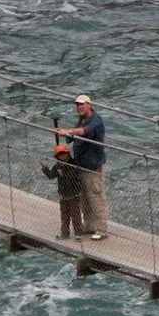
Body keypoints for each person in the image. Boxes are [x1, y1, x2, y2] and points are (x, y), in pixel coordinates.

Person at [59, 94, 107, 240]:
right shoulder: (82, 119)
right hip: (81, 165)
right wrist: (67, 133)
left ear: (89, 105)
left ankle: (101, 229)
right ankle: (89, 225)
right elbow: (75, 134)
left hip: (91, 167)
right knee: (85, 197)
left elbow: (84, 131)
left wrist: (70, 131)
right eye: (77, 105)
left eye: (81, 104)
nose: (79, 107)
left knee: (95, 197)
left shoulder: (96, 121)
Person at [40, 139, 85, 238]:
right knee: (64, 216)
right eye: (60, 154)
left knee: (75, 215)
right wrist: (45, 168)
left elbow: (75, 178)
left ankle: (78, 234)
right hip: (63, 195)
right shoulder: (58, 166)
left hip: (74, 195)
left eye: (63, 153)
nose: (62, 155)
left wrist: (63, 174)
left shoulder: (74, 164)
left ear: (68, 154)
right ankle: (64, 233)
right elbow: (51, 176)